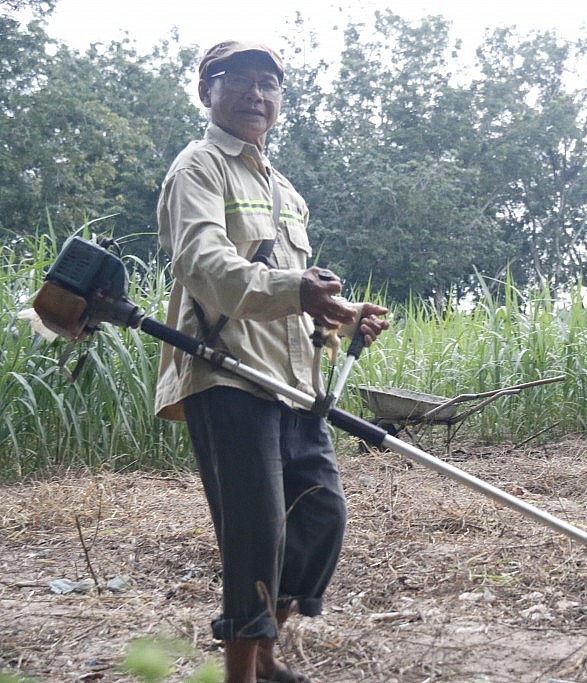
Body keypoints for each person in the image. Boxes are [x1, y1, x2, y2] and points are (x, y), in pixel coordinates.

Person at [154, 40, 389, 683]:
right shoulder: (198, 168)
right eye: (241, 81)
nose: (258, 95)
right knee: (256, 533)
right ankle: (242, 674)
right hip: (226, 371)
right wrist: (294, 290)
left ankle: (262, 655)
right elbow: (204, 266)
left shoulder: (283, 188)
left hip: (292, 378)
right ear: (208, 92)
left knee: (319, 517)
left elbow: (288, 287)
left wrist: (339, 313)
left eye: (270, 84)